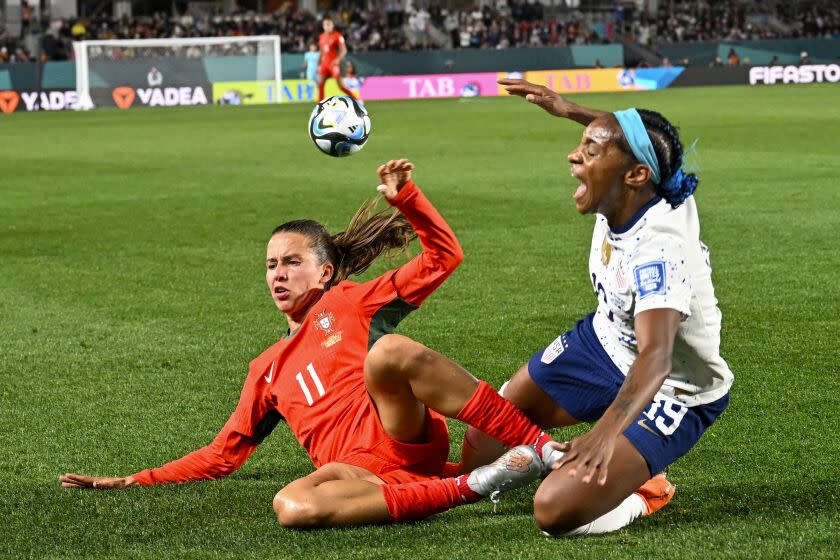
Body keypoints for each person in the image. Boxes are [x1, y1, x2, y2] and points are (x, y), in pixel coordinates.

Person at [59, 159, 561, 527]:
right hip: (356, 475)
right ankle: (472, 486)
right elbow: (221, 456)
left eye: (292, 262)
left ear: (324, 272)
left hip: (400, 435)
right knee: (292, 506)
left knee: (387, 353)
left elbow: (443, 258)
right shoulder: (266, 369)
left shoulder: (346, 302)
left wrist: (408, 199)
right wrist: (133, 480)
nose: (278, 274)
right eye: (271, 265)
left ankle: (541, 448)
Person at [460, 79, 733, 537]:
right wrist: (569, 110)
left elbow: (657, 358)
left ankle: (646, 494)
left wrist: (603, 436)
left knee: (554, 513)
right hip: (605, 343)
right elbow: (634, 140)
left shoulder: (658, 252)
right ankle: (565, 457)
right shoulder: (649, 183)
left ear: (635, 175)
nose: (573, 156)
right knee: (480, 445)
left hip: (673, 388)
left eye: (589, 150)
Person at [316, 17, 356, 102]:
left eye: (329, 24)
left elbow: (344, 50)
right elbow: (321, 51)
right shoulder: (321, 36)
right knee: (320, 83)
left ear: (332, 25)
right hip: (324, 63)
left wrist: (338, 59)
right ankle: (320, 105)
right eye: (326, 24)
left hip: (334, 63)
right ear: (323, 26)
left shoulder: (337, 36)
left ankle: (356, 99)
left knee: (341, 86)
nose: (327, 26)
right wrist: (318, 63)